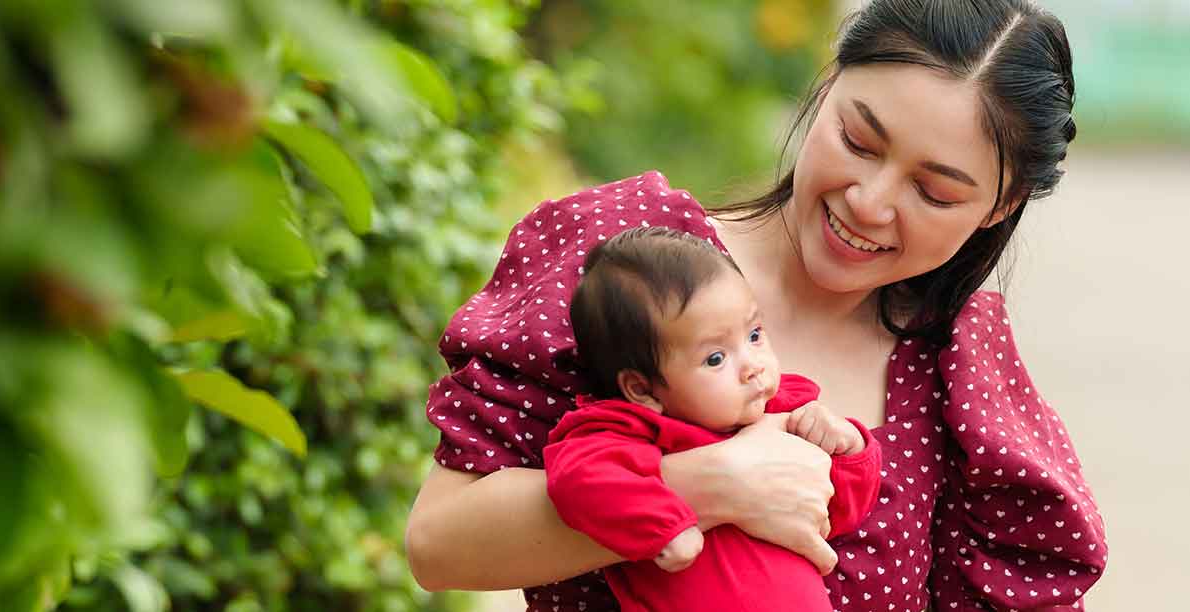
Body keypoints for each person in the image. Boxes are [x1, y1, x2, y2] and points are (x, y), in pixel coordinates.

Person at [406, 1, 1108, 610]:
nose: (869, 202)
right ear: (825, 82)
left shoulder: (955, 374)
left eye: (934, 193)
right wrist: (708, 485)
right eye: (857, 141)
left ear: (1000, 205)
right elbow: (440, 546)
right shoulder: (631, 267)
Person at [543, 226, 882, 612]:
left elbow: (834, 513)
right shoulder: (631, 428)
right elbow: (580, 479)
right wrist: (664, 525)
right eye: (716, 358)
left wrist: (848, 449)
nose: (753, 367)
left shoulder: (789, 410)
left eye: (755, 335)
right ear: (643, 389)